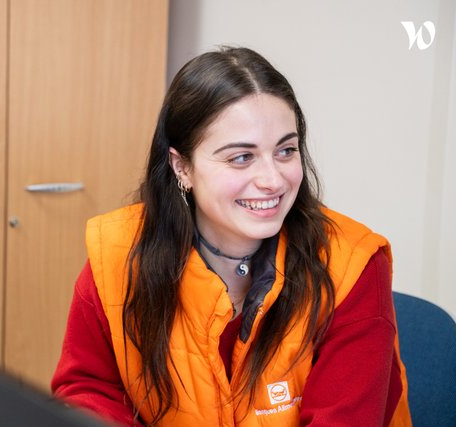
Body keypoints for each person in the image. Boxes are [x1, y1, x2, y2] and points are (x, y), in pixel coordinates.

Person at [51, 47, 411, 426]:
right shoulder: (119, 253)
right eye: (241, 157)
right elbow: (88, 390)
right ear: (182, 167)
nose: (273, 180)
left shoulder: (353, 266)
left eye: (286, 150)